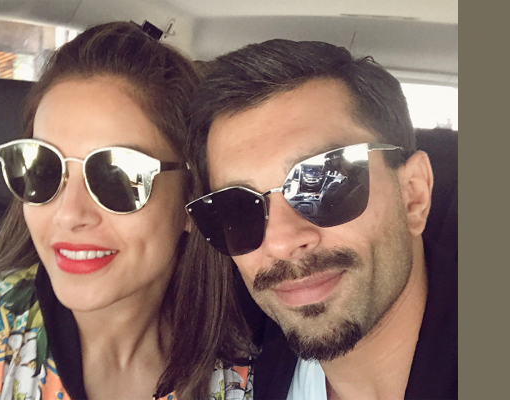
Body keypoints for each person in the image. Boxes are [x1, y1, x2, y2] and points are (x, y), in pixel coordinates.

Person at [0, 22, 255, 400]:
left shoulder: (242, 369)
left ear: (190, 199)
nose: (68, 214)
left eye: (118, 176)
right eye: (43, 167)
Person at [185, 39, 457, 399]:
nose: (281, 242)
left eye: (325, 182)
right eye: (238, 207)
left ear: (413, 195)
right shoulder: (235, 362)